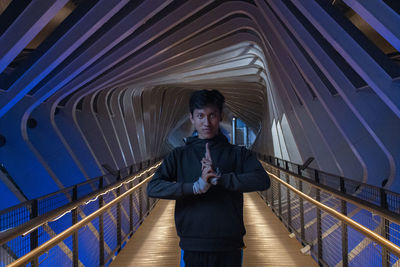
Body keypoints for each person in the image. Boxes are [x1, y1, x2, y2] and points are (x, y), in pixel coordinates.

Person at [147, 89, 270, 267]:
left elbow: (262, 180)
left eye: (212, 115)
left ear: (220, 117)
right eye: (200, 116)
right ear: (191, 118)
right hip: (193, 244)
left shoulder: (237, 154)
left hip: (228, 244)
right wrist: (195, 187)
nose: (206, 122)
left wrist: (221, 179)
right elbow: (153, 187)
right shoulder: (179, 155)